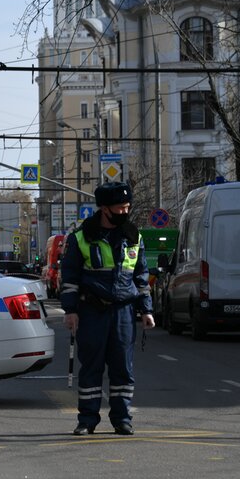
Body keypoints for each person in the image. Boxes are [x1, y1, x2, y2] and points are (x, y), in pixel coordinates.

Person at [60, 182, 155, 436]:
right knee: (91, 367)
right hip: (92, 311)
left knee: (123, 368)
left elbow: (141, 277)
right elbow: (69, 277)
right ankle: (87, 420)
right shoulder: (80, 238)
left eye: (127, 207)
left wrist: (146, 310)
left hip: (123, 311)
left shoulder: (134, 236)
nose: (125, 211)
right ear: (104, 209)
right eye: (120, 207)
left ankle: (122, 419)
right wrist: (70, 310)